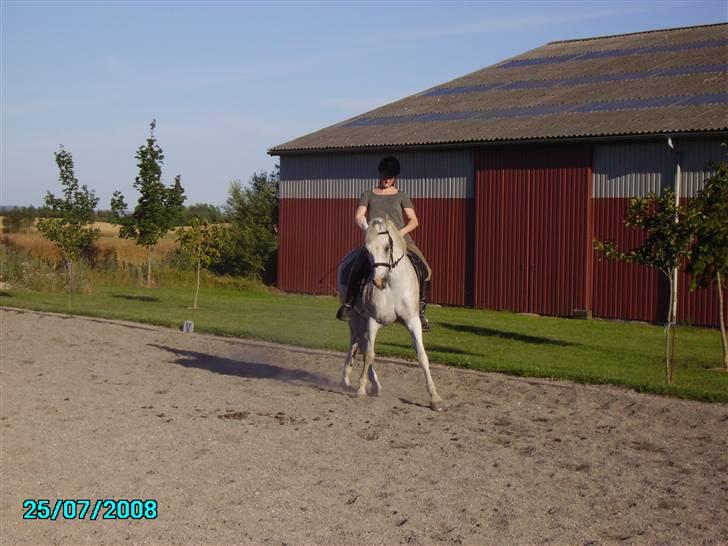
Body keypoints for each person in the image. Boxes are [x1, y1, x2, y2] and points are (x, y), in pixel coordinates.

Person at [336, 156, 432, 331]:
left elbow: (413, 221)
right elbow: (359, 216)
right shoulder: (368, 194)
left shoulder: (401, 195)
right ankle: (348, 305)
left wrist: (398, 235)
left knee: (426, 269)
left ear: (395, 177)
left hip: (403, 242)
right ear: (379, 174)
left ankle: (421, 312)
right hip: (377, 244)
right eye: (383, 175)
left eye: (390, 176)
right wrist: (367, 230)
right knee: (356, 265)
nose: (386, 179)